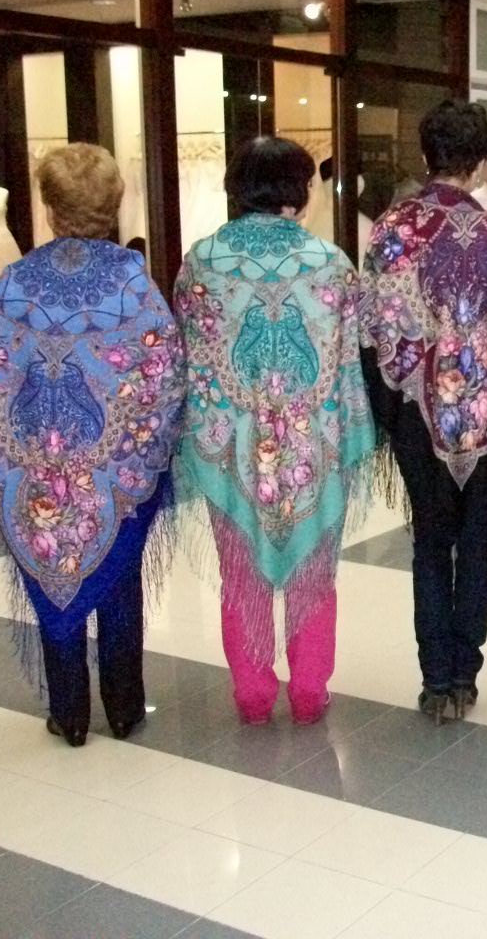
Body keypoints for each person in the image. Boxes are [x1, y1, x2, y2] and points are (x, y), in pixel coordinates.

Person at [0, 143, 185, 746]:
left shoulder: (15, 282)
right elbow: (165, 375)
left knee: (50, 574)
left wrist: (19, 455)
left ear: (49, 206)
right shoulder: (132, 281)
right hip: (113, 468)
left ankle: (70, 713)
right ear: (112, 204)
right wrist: (134, 453)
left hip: (38, 470)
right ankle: (124, 706)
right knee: (118, 575)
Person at [359, 100, 487, 724]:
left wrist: (393, 408)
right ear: (483, 161)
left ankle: (435, 678)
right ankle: (465, 674)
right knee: (476, 543)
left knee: (429, 540)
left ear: (425, 155)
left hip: (419, 414)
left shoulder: (394, 230)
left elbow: (374, 330)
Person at [172, 137, 375, 726]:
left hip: (232, 444)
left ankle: (253, 693)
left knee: (240, 570)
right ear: (299, 191)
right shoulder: (331, 262)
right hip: (314, 442)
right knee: (315, 569)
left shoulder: (202, 260)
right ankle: (310, 690)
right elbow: (350, 358)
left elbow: (193, 354)